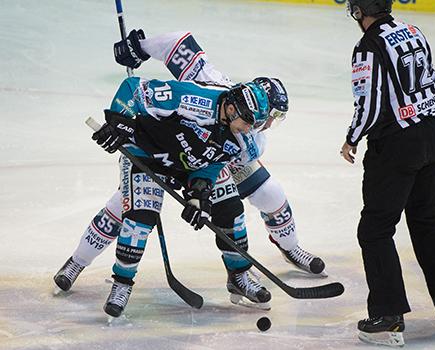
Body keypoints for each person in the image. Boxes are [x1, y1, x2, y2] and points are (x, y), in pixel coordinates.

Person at [54, 31, 326, 313]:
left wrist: (200, 194)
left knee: (241, 207)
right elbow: (175, 51)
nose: (266, 125)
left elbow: (216, 162)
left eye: (271, 120)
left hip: (199, 162)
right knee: (135, 215)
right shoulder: (203, 91)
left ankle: (249, 269)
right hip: (155, 151)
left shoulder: (248, 135)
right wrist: (138, 52)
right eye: (268, 117)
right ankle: (88, 266)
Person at [341, 0, 435, 347]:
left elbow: (369, 104)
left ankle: (387, 318)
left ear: (359, 12)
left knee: (375, 228)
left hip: (398, 143)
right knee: (428, 218)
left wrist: (351, 138)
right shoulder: (413, 32)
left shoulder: (367, 46)